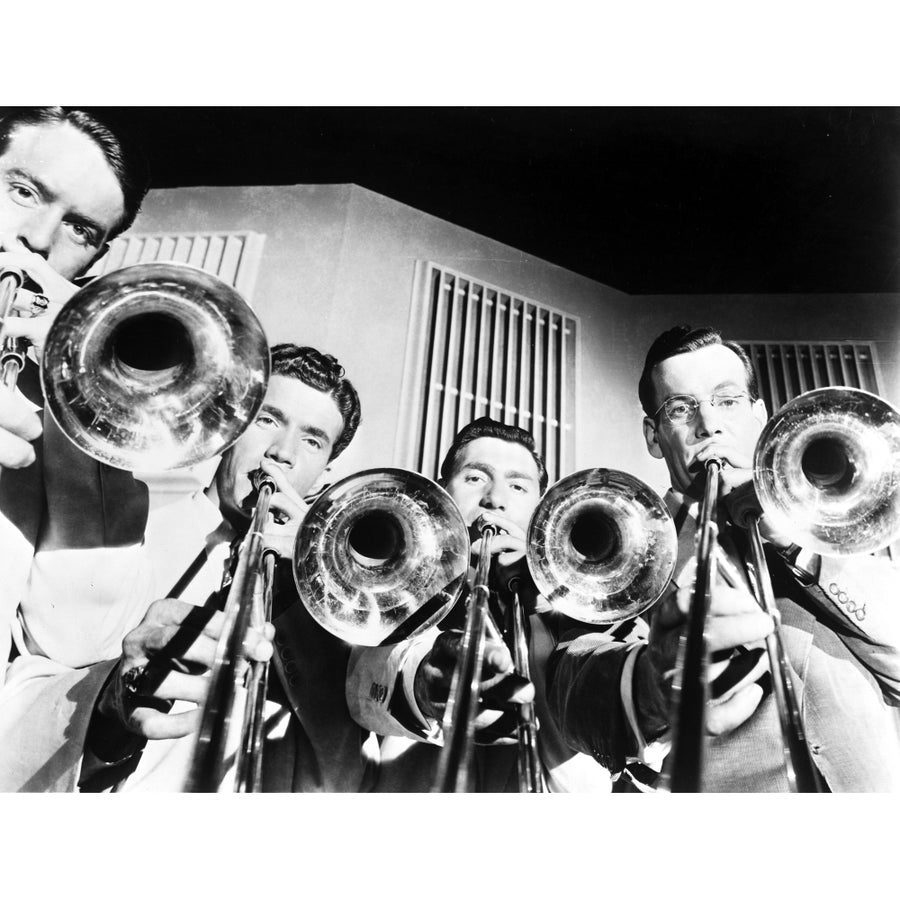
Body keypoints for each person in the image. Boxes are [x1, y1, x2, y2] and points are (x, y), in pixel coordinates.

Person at [0, 343, 369, 792]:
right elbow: (36, 673)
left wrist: (307, 592)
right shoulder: (129, 523)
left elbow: (338, 778)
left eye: (312, 440)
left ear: (324, 479)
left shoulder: (320, 623)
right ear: (229, 429)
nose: (282, 454)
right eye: (268, 419)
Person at [546, 325, 900, 791]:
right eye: (680, 408)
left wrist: (791, 540)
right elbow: (574, 689)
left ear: (760, 415)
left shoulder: (833, 532)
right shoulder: (625, 545)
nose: (708, 424)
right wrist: (651, 684)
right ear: (654, 437)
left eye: (727, 401)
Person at [347, 416, 636, 791]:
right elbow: (362, 683)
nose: (494, 499)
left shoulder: (587, 610)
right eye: (474, 478)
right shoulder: (395, 591)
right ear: (442, 493)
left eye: (517, 485)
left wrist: (545, 608)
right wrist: (425, 685)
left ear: (540, 512)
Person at [0, 106, 152, 676]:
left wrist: (79, 402)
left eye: (80, 229)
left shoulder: (47, 408)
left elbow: (75, 641)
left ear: (97, 256)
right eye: (23, 191)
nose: (37, 241)